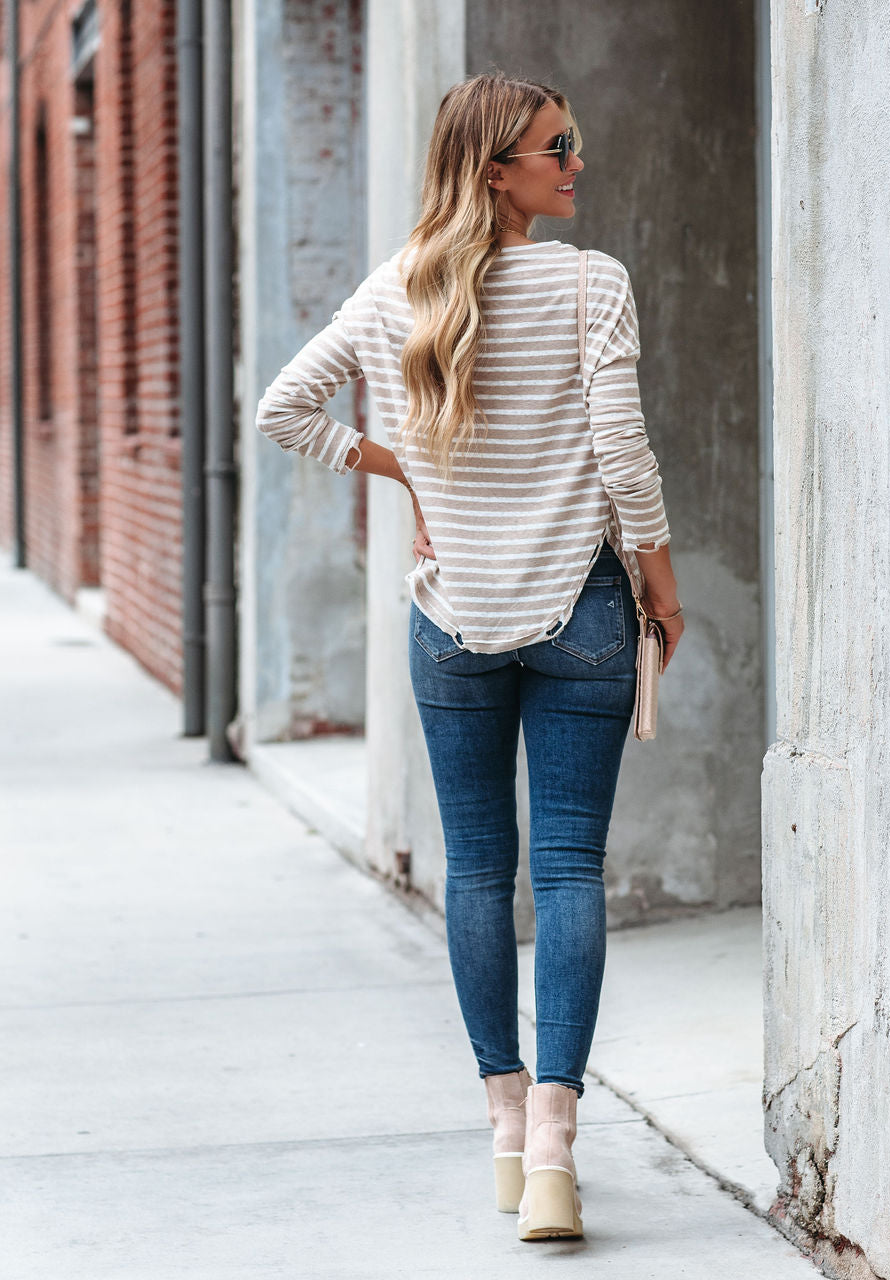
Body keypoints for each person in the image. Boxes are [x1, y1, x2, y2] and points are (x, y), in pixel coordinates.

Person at [255, 70, 684, 1242]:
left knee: (480, 873)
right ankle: (555, 1136)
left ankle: (503, 1125)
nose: (577, 161)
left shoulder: (395, 290)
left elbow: (283, 410)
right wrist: (660, 579)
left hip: (450, 620)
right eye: (559, 146)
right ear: (497, 169)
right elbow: (623, 453)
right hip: (582, 614)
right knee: (568, 872)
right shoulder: (592, 285)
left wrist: (402, 469)